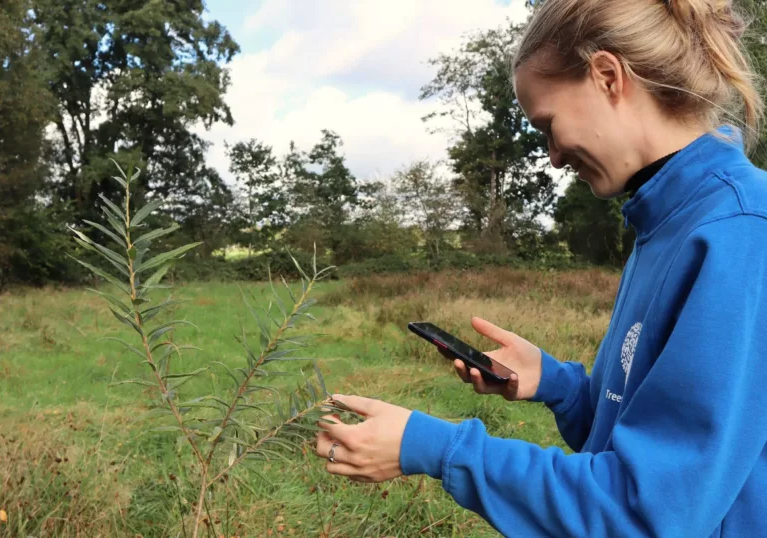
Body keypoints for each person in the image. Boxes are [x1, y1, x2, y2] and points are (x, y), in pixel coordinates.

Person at [314, 0, 767, 536]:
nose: (552, 156)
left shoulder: (740, 232)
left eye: (548, 125)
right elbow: (636, 433)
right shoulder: (663, 223)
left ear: (607, 76)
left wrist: (435, 447)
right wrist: (558, 384)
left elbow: (647, 513)